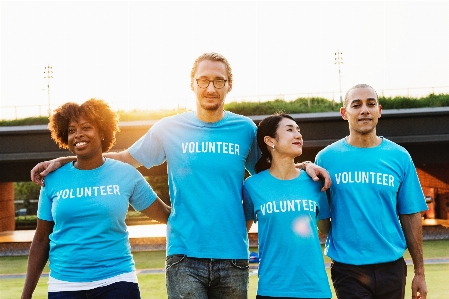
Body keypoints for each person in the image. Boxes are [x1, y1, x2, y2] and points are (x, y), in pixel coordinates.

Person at [30, 52, 331, 299]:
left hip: (234, 256)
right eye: (203, 81)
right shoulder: (168, 128)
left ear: (229, 86)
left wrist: (304, 166)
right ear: (192, 84)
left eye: (219, 81)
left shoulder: (245, 130)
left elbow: (274, 173)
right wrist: (68, 158)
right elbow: (123, 160)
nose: (210, 88)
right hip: (184, 256)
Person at [21, 99, 171, 299]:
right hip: (65, 284)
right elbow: (40, 239)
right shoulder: (53, 179)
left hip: (117, 281)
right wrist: (26, 295)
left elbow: (166, 215)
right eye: (71, 130)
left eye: (86, 127)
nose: (78, 134)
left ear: (102, 132)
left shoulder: (126, 174)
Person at [315, 84, 428, 299]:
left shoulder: (400, 157)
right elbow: (323, 218)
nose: (364, 110)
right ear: (344, 113)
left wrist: (420, 272)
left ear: (379, 111)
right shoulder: (326, 158)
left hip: (392, 267)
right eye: (356, 105)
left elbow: (411, 214)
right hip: (348, 268)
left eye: (371, 104)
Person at [243, 113, 332, 299]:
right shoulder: (252, 186)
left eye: (298, 130)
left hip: (315, 289)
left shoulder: (316, 182)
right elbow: (241, 231)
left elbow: (326, 228)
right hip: (271, 289)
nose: (298, 135)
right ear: (270, 140)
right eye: (290, 130)